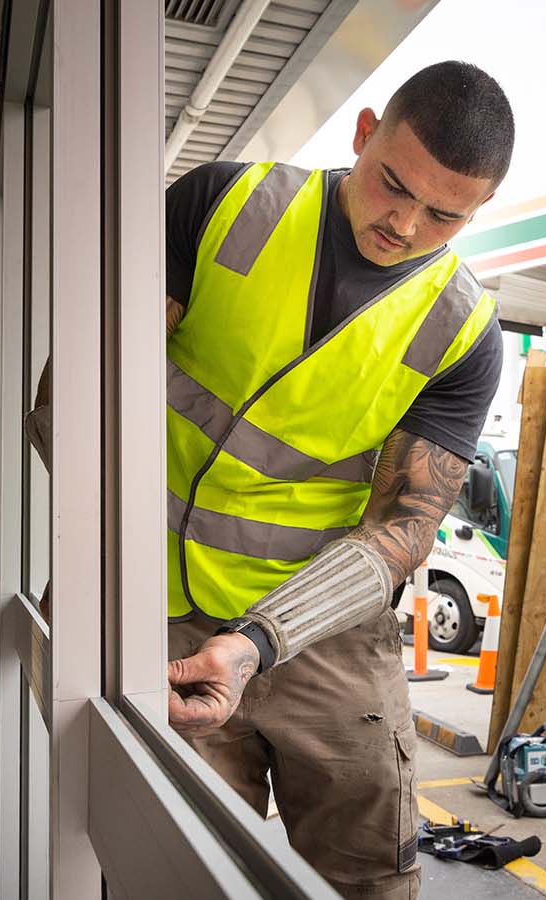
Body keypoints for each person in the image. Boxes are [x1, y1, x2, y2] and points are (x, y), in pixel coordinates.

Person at [159, 61, 511, 899]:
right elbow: (82, 393)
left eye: (444, 215)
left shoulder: (463, 333)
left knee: (367, 880)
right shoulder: (221, 205)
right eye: (394, 185)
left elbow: (403, 531)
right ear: (362, 134)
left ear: (479, 210)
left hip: (326, 631)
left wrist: (257, 641)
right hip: (163, 615)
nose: (406, 223)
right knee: (180, 870)